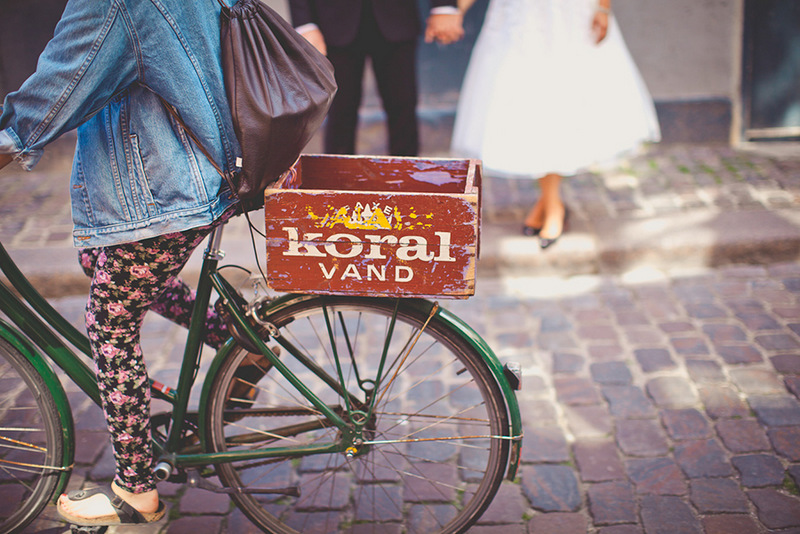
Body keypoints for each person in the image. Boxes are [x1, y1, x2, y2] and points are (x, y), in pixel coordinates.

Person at [0, 0, 244, 526]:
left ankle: (135, 489)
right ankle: (236, 341)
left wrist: (9, 138)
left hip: (169, 186)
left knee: (109, 321)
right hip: (200, 165)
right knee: (100, 260)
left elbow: (62, 82)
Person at [451, 0, 660, 248]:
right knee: (529, 103)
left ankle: (551, 206)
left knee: (560, 100)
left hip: (569, 13)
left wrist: (603, 7)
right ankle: (551, 204)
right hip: (519, 16)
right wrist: (454, 10)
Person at [288, 0, 465, 156]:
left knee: (403, 109)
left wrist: (443, 6)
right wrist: (304, 23)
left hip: (397, 15)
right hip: (332, 19)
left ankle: (406, 179)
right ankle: (336, 180)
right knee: (339, 114)